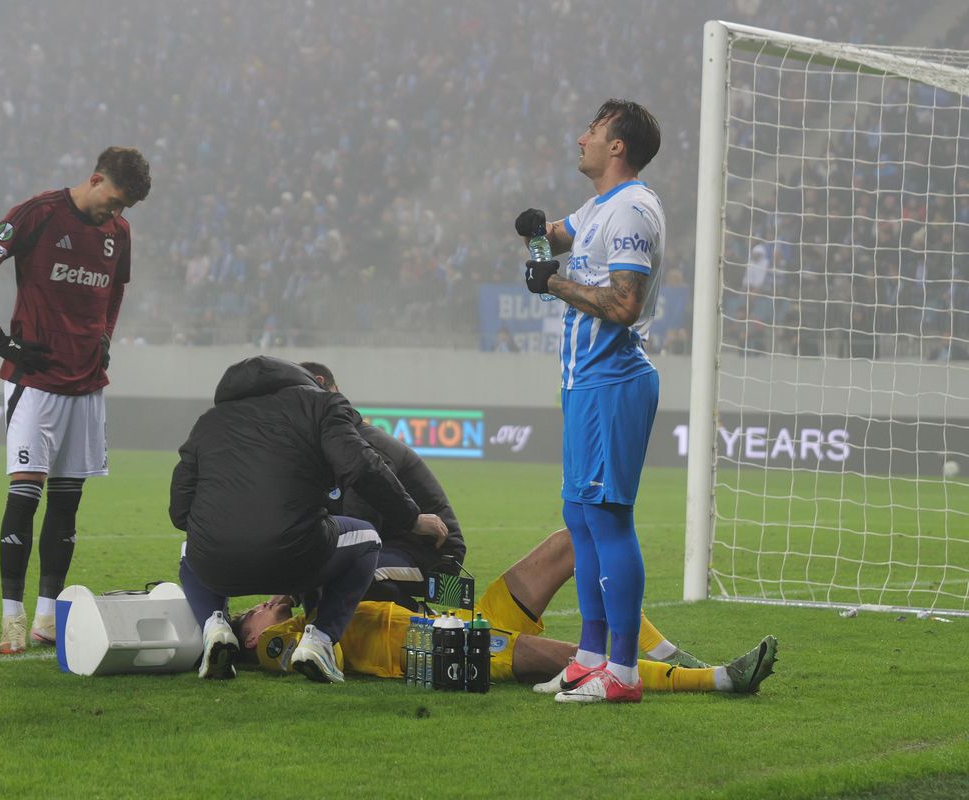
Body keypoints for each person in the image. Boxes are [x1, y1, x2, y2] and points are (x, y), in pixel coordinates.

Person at [0, 146, 152, 655]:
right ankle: (11, 619)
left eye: (125, 208)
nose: (117, 213)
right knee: (25, 494)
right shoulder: (39, 214)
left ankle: (48, 617)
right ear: (94, 179)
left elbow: (116, 290)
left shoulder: (118, 234)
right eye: (115, 201)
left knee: (68, 503)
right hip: (36, 378)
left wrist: (106, 335)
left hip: (88, 382)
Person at [231, 528, 778, 696]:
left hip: (450, 615)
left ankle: (663, 650)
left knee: (571, 543)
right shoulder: (285, 646)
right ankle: (716, 680)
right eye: (253, 614)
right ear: (253, 641)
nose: (263, 606)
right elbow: (287, 636)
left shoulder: (311, 612)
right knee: (576, 656)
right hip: (444, 649)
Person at [169, 355, 448, 684]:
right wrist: (412, 518)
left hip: (219, 566)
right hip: (295, 556)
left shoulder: (209, 422)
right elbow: (360, 466)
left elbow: (179, 510)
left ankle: (215, 626)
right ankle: (320, 640)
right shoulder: (320, 405)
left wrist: (226, 531)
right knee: (366, 538)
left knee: (192, 547)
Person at [513, 99, 665, 703]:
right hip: (583, 382)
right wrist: (536, 230)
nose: (581, 138)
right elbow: (559, 236)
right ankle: (590, 658)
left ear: (617, 147)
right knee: (580, 520)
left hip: (614, 381)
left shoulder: (632, 207)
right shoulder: (599, 206)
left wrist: (552, 281)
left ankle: (623, 673)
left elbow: (625, 304)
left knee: (607, 519)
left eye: (593, 132)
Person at [298, 361, 467, 607]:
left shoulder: (364, 447)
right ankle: (325, 638)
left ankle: (426, 627)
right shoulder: (335, 443)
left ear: (318, 383)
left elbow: (361, 526)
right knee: (319, 572)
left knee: (344, 571)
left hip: (432, 553)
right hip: (387, 546)